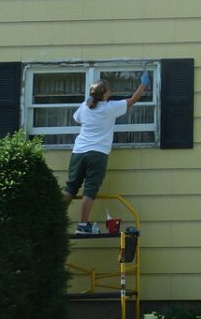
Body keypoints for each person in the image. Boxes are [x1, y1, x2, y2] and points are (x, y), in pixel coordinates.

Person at [63, 73, 149, 233]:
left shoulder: (85, 106)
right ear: (103, 95)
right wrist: (143, 84)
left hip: (79, 151)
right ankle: (82, 226)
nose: (111, 92)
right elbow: (132, 100)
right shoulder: (110, 108)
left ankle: (55, 220)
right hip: (97, 153)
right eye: (109, 90)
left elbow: (76, 119)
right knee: (90, 189)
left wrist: (88, 104)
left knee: (71, 187)